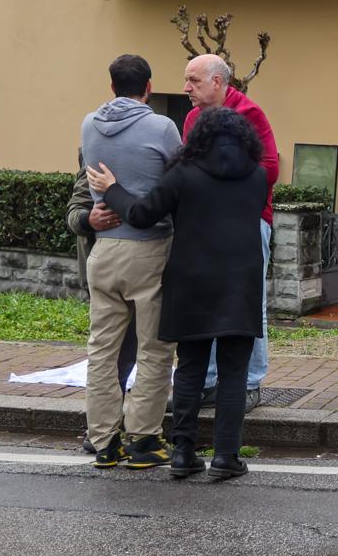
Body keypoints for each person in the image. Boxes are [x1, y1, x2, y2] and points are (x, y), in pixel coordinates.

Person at [88, 107, 269, 482]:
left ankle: (184, 452)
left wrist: (112, 190)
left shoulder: (184, 175)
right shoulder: (257, 176)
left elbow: (140, 214)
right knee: (233, 375)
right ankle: (226, 456)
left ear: (199, 138)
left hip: (191, 283)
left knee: (189, 369)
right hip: (240, 283)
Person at [77, 54, 183, 469]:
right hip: (150, 248)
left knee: (102, 349)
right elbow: (177, 180)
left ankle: (103, 440)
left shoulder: (89, 124)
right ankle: (143, 440)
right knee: (155, 348)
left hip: (103, 250)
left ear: (111, 87)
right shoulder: (162, 127)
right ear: (150, 87)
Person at [182, 54, 279, 399]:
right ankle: (208, 383)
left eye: (193, 80)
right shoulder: (193, 118)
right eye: (187, 80)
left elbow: (270, 168)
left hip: (248, 223)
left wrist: (222, 189)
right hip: (206, 224)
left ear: (218, 82)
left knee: (250, 304)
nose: (186, 88)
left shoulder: (250, 113)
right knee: (207, 301)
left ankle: (250, 384)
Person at [66, 170, 137, 401]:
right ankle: (106, 421)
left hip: (145, 269)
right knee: (109, 351)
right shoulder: (96, 156)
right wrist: (89, 219)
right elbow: (74, 212)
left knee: (136, 349)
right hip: (103, 272)